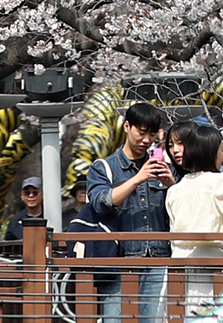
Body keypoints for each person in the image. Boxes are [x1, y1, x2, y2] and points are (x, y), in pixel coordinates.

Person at [87, 101, 174, 323]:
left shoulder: (163, 166)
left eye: (152, 134)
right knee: (114, 320)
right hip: (118, 261)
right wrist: (137, 178)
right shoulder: (103, 167)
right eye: (141, 132)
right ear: (127, 127)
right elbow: (100, 203)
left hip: (158, 259)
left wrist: (173, 185)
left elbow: (180, 209)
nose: (146, 140)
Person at [165, 124, 223, 316]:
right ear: (212, 153)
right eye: (222, 150)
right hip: (213, 260)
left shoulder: (174, 190)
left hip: (181, 262)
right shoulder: (220, 181)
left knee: (188, 314)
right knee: (217, 314)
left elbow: (174, 231)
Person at [2, 176, 45, 244]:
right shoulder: (15, 221)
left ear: (42, 195)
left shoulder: (50, 218)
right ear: (22, 196)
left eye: (35, 193)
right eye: (27, 193)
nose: (31, 196)